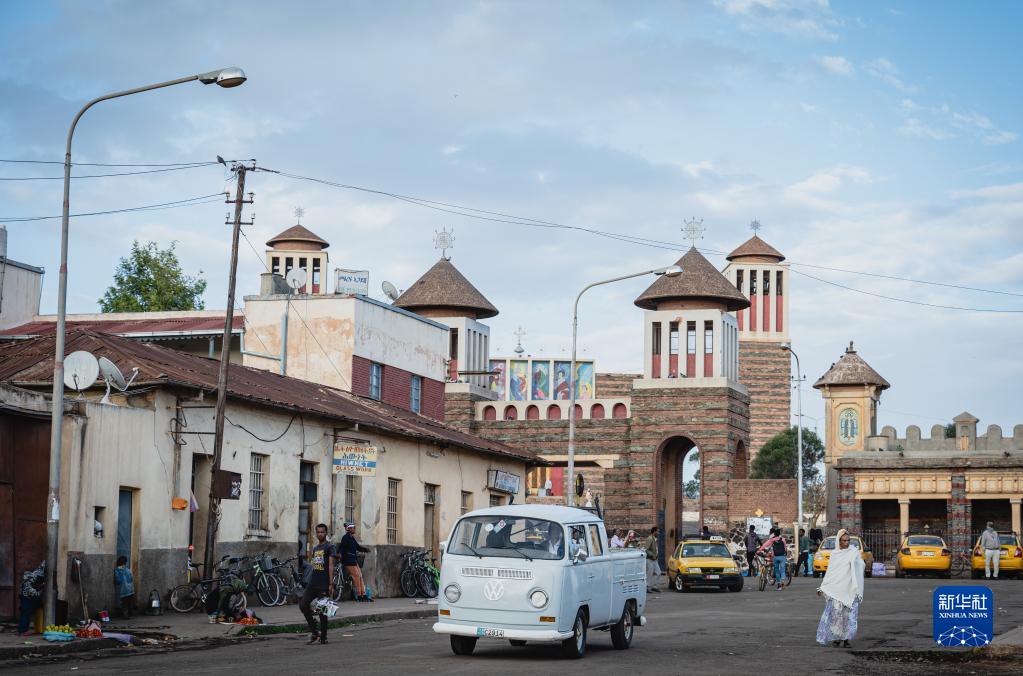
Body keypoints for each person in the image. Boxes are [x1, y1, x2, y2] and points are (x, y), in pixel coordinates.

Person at [816, 529, 865, 648]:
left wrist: (855, 562)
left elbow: (861, 565)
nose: (846, 543)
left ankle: (846, 639)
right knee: (836, 616)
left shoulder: (853, 552)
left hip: (850, 589)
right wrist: (823, 587)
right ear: (839, 541)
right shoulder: (835, 554)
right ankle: (837, 638)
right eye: (844, 541)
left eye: (848, 540)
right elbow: (830, 572)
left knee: (849, 616)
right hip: (837, 590)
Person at [299, 523, 334, 645]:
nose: (320, 534)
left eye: (322, 532)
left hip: (324, 584)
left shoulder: (330, 547)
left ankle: (323, 637)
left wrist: (331, 583)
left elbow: (330, 565)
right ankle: (314, 631)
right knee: (303, 604)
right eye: (318, 532)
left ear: (326, 533)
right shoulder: (315, 548)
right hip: (313, 583)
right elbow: (314, 565)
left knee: (323, 611)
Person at [338, 522, 372, 601]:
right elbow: (341, 547)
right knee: (356, 576)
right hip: (348, 560)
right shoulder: (345, 538)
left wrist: (365, 549)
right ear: (349, 529)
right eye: (353, 528)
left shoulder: (352, 538)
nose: (355, 529)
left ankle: (364, 595)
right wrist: (339, 554)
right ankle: (359, 595)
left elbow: (357, 547)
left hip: (353, 560)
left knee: (360, 576)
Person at [18, 561, 45, 636]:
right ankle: (23, 631)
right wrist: (41, 590)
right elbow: (35, 593)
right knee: (25, 614)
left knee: (25, 614)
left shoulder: (28, 580)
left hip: (25, 597)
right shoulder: (29, 584)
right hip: (26, 598)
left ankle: (23, 630)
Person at [644, 526, 661, 592]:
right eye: (657, 531)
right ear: (654, 531)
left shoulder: (655, 539)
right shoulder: (650, 538)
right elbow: (646, 549)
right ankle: (648, 587)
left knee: (658, 572)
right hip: (649, 559)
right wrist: (652, 555)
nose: (658, 533)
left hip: (654, 559)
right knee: (649, 573)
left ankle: (654, 586)